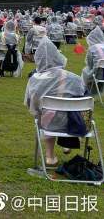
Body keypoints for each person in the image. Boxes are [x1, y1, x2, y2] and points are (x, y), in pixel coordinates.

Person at [24, 37, 86, 167]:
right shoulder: (74, 78)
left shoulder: (34, 79)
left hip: (46, 123)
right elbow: (83, 97)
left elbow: (30, 104)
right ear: (58, 56)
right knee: (68, 109)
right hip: (73, 123)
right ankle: (67, 143)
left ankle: (49, 156)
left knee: (48, 114)